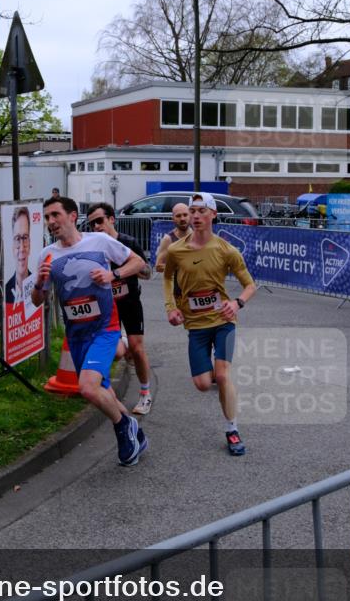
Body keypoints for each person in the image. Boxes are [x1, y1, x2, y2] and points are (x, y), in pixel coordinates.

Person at [31, 195, 148, 467]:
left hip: (105, 329)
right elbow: (38, 301)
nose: (51, 222)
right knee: (100, 390)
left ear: (72, 216)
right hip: (77, 335)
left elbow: (138, 263)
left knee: (87, 387)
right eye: (47, 217)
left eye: (55, 215)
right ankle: (135, 432)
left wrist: (113, 275)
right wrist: (39, 282)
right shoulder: (46, 255)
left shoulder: (99, 242)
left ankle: (122, 430)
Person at [163, 192, 256, 457]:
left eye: (201, 211)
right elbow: (168, 279)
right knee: (203, 384)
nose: (195, 216)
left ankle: (232, 429)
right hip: (196, 325)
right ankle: (217, 375)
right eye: (192, 211)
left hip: (224, 320)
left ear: (213, 215)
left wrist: (237, 303)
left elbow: (250, 286)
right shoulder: (176, 250)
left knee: (224, 375)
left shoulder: (227, 250)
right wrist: (171, 308)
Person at [86, 202, 153, 416]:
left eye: (100, 221)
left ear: (111, 219)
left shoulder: (127, 242)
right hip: (107, 308)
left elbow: (147, 272)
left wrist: (122, 272)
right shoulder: (92, 247)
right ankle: (121, 347)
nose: (96, 227)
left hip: (130, 301)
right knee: (116, 353)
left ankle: (145, 393)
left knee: (137, 348)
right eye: (92, 224)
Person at [5, 205, 33, 304]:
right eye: (17, 238)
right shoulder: (6, 290)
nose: (21, 248)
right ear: (12, 246)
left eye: (25, 238)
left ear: (30, 243)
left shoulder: (37, 286)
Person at [154, 202, 192, 272]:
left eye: (185, 215)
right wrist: (180, 268)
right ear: (173, 219)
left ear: (190, 216)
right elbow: (158, 266)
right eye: (178, 216)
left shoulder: (197, 236)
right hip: (175, 282)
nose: (182, 218)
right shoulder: (168, 239)